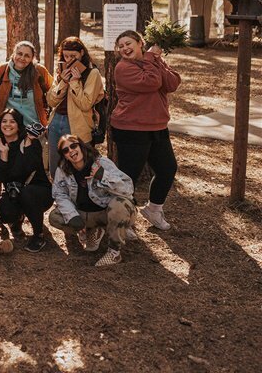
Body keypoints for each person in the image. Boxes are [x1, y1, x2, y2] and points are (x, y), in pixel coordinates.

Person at [111, 30, 181, 231]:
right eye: (121, 46)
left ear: (140, 43)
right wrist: (152, 57)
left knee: (167, 169)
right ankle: (125, 220)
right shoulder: (123, 68)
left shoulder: (152, 62)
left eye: (128, 43)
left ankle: (154, 209)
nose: (125, 48)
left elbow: (172, 83)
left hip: (157, 126)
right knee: (129, 176)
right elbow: (152, 83)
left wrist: (157, 61)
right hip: (131, 128)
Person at [49, 134, 136, 266]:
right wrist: (72, 216)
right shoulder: (63, 170)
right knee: (55, 217)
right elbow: (59, 194)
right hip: (86, 213)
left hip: (107, 212)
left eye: (73, 146)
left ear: (81, 146)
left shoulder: (102, 163)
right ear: (64, 156)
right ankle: (93, 230)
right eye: (66, 150)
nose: (71, 151)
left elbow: (127, 188)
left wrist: (103, 176)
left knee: (120, 204)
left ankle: (114, 252)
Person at [0, 109, 53, 251]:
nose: (8, 125)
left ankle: (39, 235)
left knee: (27, 193)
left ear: (19, 125)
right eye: (4, 121)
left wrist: (25, 147)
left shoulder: (31, 143)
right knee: (5, 211)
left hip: (39, 192)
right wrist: (4, 155)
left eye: (12, 121)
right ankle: (17, 218)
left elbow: (24, 170)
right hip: (15, 192)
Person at [46, 37, 105, 179]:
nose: (70, 60)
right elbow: (51, 101)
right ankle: (58, 193)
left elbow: (85, 104)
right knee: (54, 163)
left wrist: (75, 83)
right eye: (66, 56)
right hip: (56, 122)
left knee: (78, 165)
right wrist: (63, 82)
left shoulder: (92, 73)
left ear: (81, 53)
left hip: (78, 123)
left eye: (73, 56)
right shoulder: (61, 69)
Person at [0, 41, 53, 129]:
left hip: (33, 126)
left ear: (32, 58)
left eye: (27, 56)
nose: (22, 58)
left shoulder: (39, 71)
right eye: (19, 54)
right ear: (14, 54)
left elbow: (52, 94)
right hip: (9, 127)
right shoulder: (2, 70)